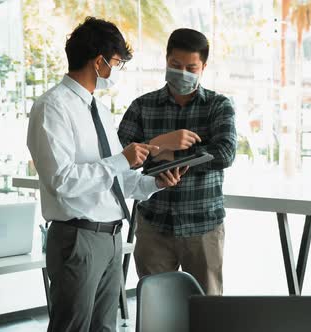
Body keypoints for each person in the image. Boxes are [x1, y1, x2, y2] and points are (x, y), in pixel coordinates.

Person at [27, 17, 185, 332]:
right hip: (77, 238)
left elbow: (117, 180)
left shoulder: (99, 110)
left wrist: (154, 182)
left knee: (105, 328)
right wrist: (120, 161)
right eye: (116, 63)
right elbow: (62, 181)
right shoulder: (52, 107)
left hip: (111, 237)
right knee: (72, 327)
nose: (115, 71)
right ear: (99, 62)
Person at [118, 28, 237, 296]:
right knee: (156, 310)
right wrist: (162, 143)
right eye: (176, 65)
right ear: (166, 60)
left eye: (191, 67)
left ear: (204, 66)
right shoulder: (142, 106)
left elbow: (226, 153)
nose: (182, 72)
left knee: (207, 313)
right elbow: (120, 157)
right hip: (153, 224)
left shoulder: (218, 106)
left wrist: (172, 156)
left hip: (203, 225)